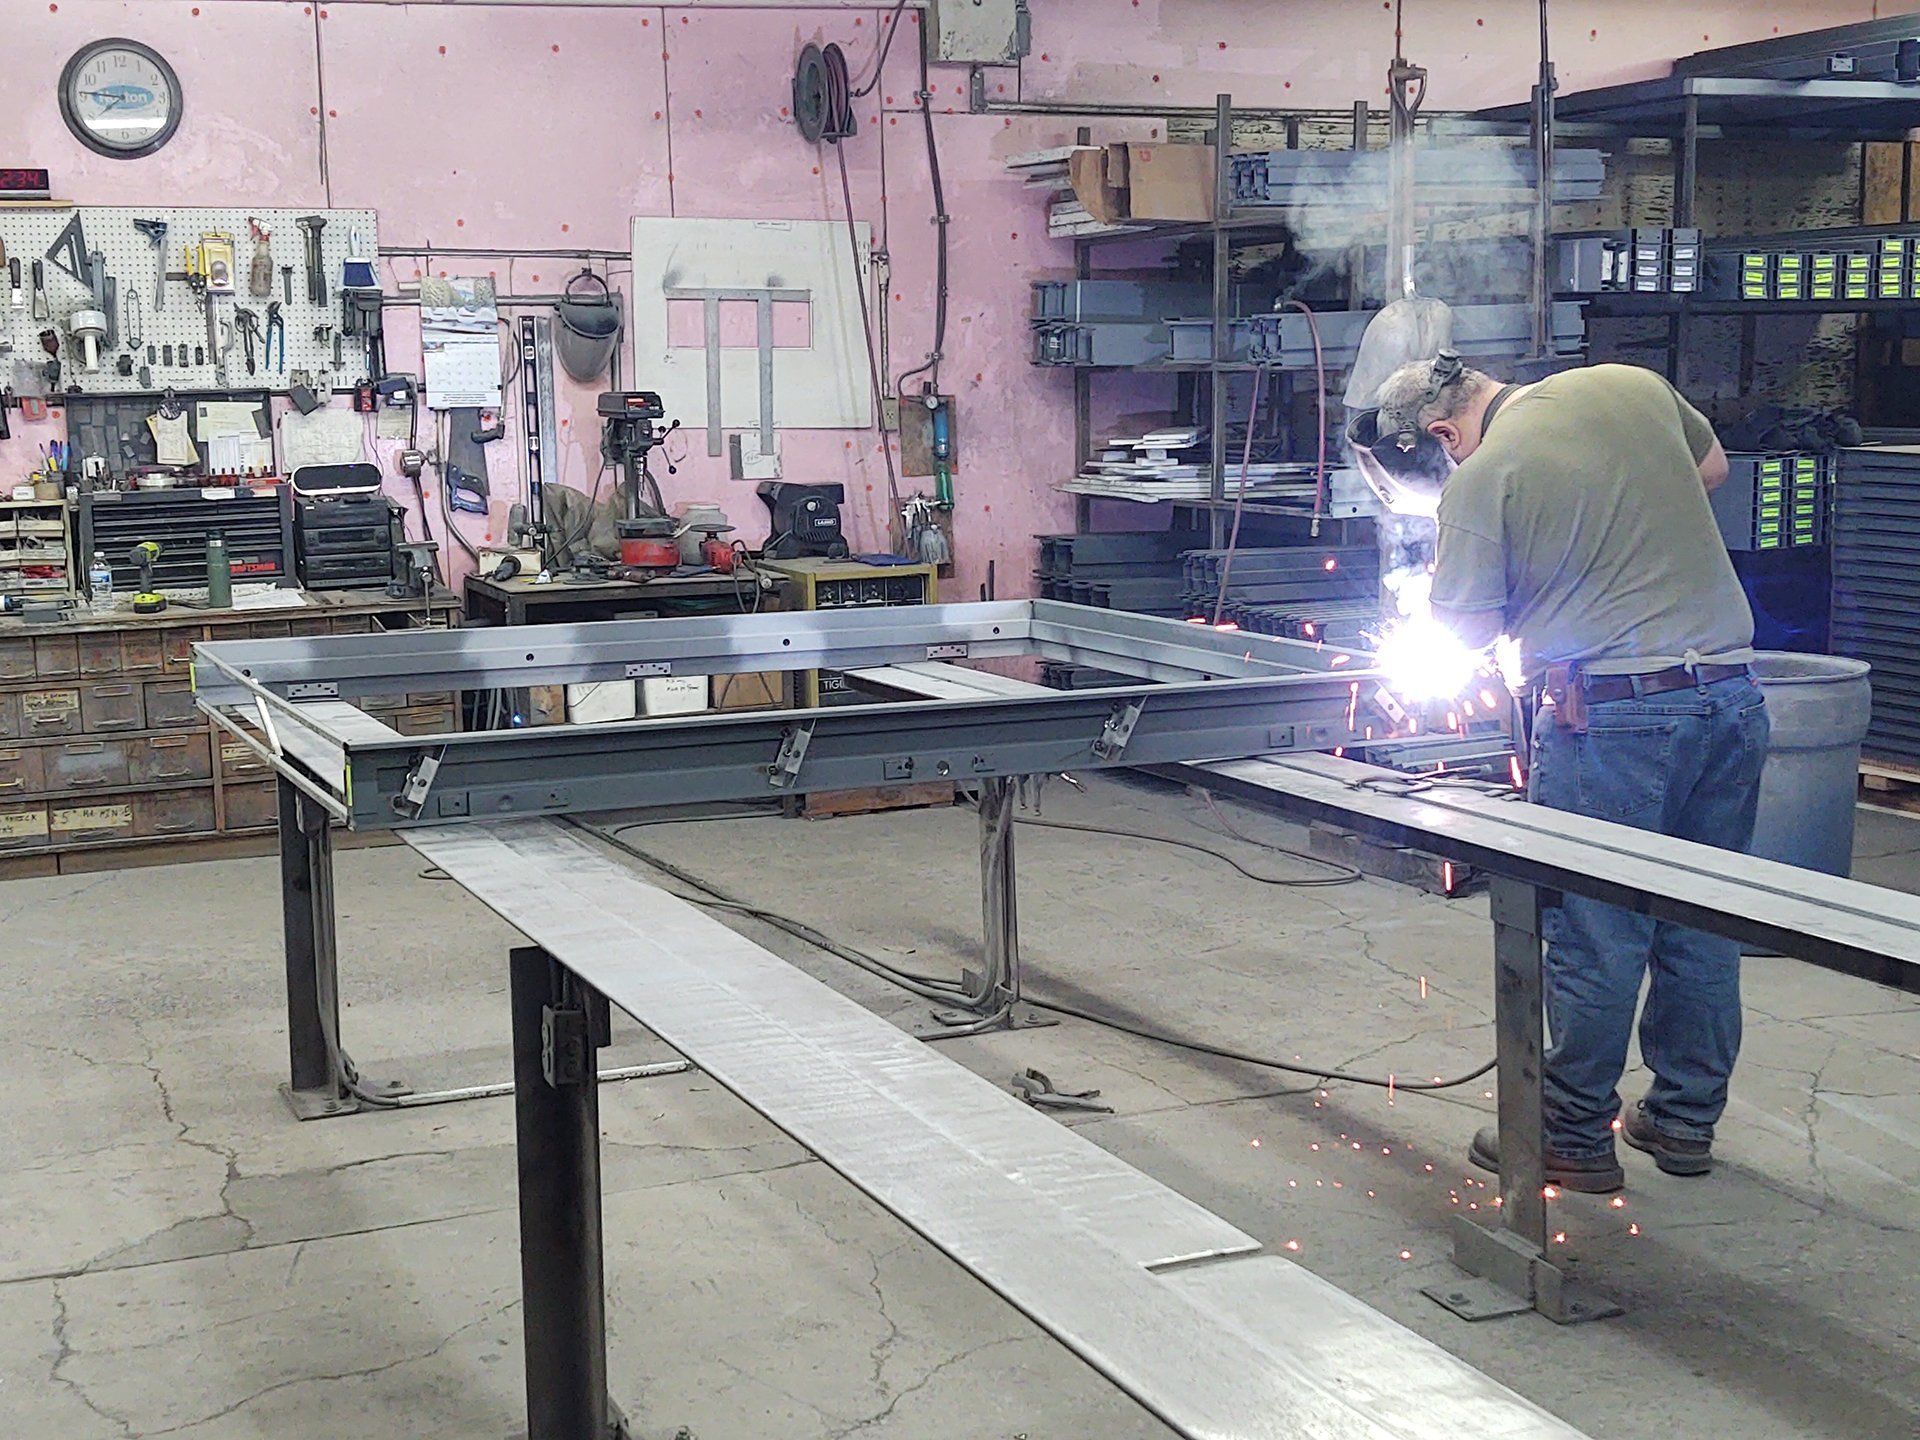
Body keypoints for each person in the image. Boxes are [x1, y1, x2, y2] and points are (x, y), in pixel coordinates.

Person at [1371, 357, 1771, 1194]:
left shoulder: (1484, 478)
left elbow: (1467, 629)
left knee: (1598, 930)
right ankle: (1684, 1118)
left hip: (1615, 719)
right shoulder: (1627, 383)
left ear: (1444, 436)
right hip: (1731, 695)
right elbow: (1710, 468)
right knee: (1701, 916)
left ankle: (1573, 1132)